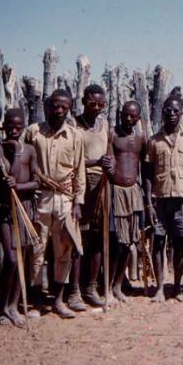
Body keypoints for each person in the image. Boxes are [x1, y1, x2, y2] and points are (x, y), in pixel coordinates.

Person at [25, 89, 86, 318]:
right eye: (55, 106)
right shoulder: (33, 132)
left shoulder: (75, 136)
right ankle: (37, 301)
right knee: (37, 248)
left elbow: (79, 172)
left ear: (69, 108)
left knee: (64, 250)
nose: (59, 110)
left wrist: (78, 202)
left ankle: (59, 300)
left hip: (66, 200)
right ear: (47, 105)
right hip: (40, 197)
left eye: (64, 107)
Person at [144, 95, 183, 302]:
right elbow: (147, 174)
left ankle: (177, 287)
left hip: (182, 201)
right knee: (158, 242)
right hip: (159, 200)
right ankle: (160, 287)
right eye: (168, 110)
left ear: (181, 112)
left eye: (176, 111)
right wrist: (149, 202)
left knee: (180, 243)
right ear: (162, 113)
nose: (172, 114)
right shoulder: (153, 141)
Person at [0, 109, 39, 327]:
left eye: (18, 127)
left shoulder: (29, 149)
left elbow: (37, 181)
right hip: (5, 209)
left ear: (23, 127)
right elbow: (7, 175)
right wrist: (15, 154)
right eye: (10, 126)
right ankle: (3, 306)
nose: (13, 130)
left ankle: (14, 305)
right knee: (10, 259)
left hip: (24, 208)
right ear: (4, 126)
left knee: (22, 258)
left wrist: (19, 185)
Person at [103, 100, 147, 302]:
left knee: (129, 242)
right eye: (125, 115)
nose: (129, 118)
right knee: (116, 242)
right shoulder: (112, 135)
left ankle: (118, 285)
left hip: (133, 194)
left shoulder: (141, 138)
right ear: (120, 114)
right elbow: (109, 160)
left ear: (138, 117)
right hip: (116, 192)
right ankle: (108, 286)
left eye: (133, 115)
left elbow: (144, 167)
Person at [73, 84, 109, 307]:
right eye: (92, 103)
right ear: (84, 101)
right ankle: (74, 289)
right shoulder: (75, 125)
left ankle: (91, 286)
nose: (96, 108)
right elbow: (72, 160)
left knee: (97, 237)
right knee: (80, 237)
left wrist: (108, 164)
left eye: (101, 104)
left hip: (101, 184)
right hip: (81, 183)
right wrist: (96, 162)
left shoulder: (104, 125)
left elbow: (109, 152)